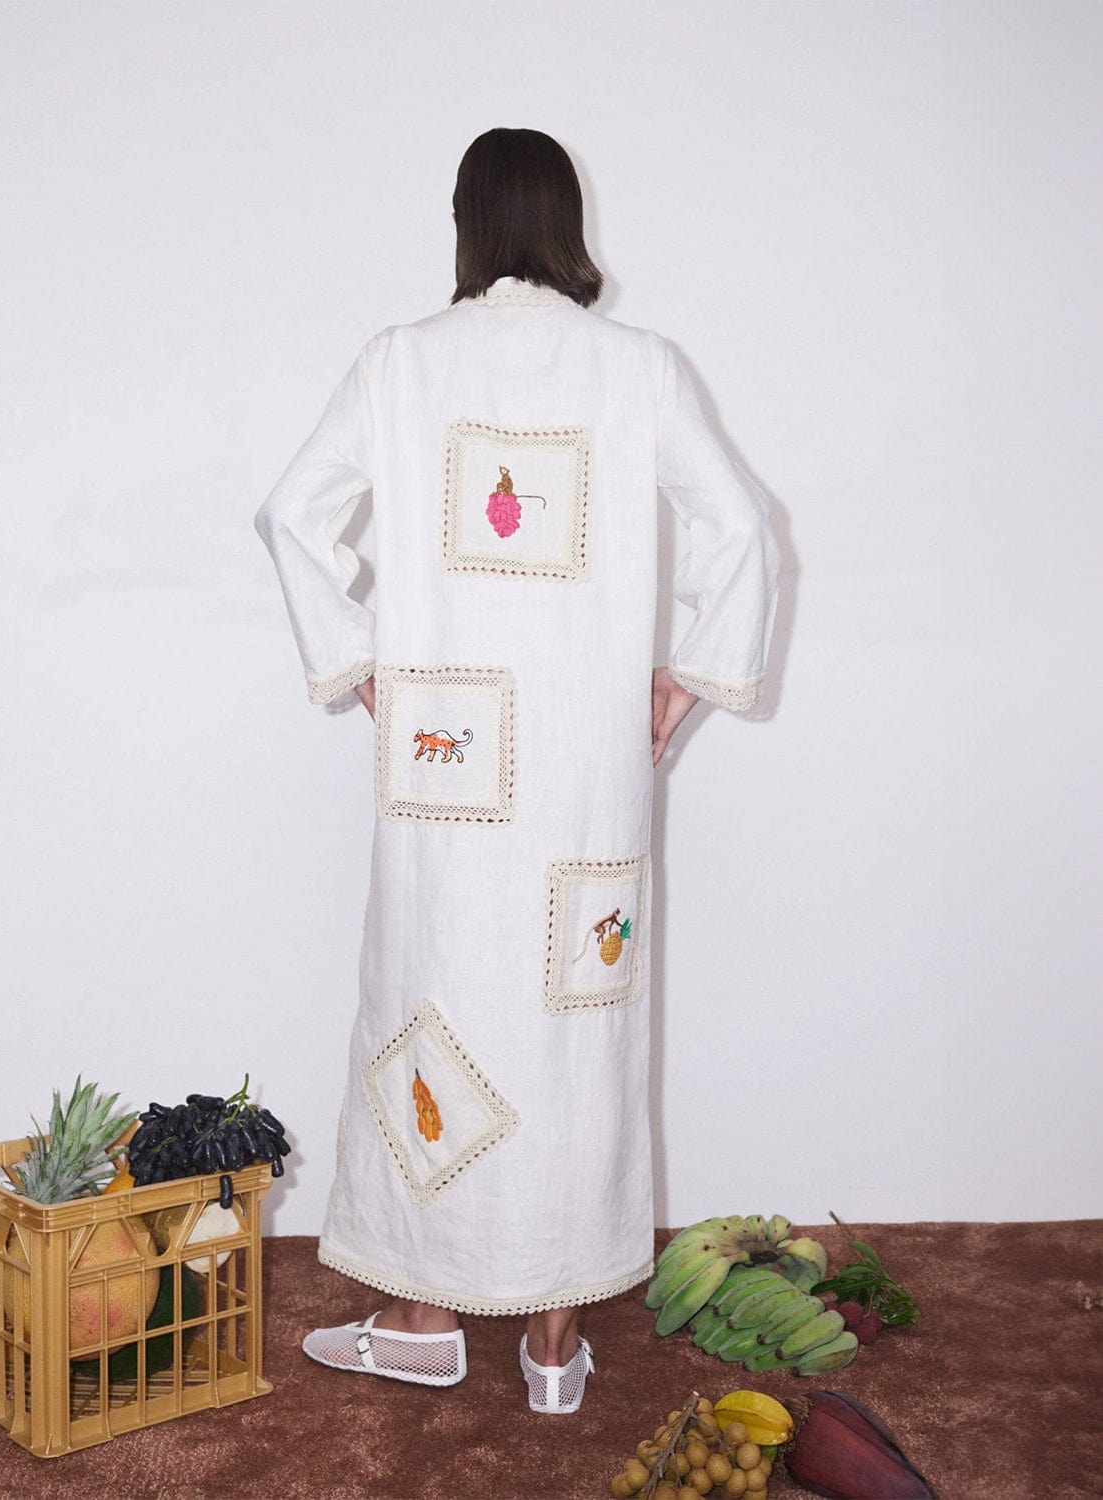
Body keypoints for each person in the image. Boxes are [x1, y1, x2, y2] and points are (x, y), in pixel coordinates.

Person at [253, 127, 781, 1414]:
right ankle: (551, 1342)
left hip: (443, 761)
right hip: (587, 761)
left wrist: (359, 666)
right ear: (564, 223)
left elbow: (290, 513)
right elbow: (744, 531)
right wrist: (687, 679)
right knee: (576, 1018)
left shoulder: (399, 363)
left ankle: (422, 1316)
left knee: (432, 986)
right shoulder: (638, 369)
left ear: (465, 222)